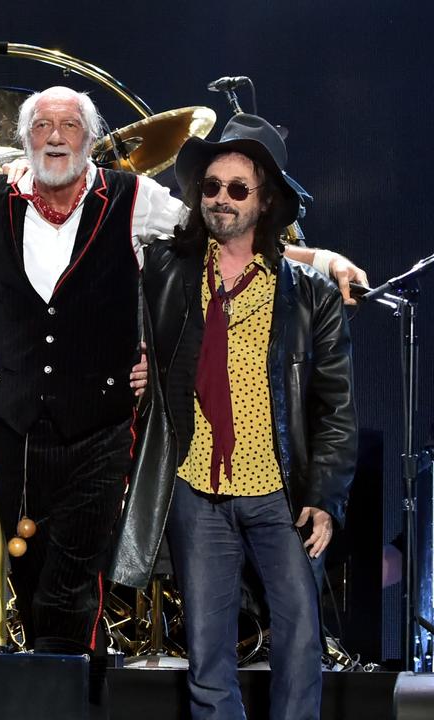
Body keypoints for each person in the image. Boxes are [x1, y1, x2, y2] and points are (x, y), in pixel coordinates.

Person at [0, 86, 364, 713]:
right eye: (45, 125)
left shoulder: (291, 289)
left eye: (71, 125)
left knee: (287, 636)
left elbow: (332, 403)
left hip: (204, 466)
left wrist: (322, 258)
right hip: (103, 457)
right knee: (171, 639)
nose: (57, 136)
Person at [112, 113, 355, 720]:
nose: (221, 199)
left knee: (300, 642)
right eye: (212, 187)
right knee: (208, 652)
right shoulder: (168, 272)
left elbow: (337, 408)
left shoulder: (309, 297)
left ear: (265, 199)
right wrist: (140, 369)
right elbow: (133, 336)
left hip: (280, 492)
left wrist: (325, 494)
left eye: (238, 189)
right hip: (199, 489)